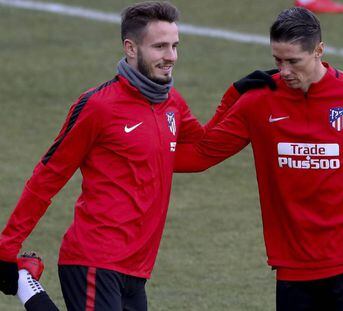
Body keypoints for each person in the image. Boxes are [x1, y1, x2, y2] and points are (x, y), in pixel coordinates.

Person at [0, 2, 275, 310]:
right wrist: (6, 247)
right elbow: (48, 177)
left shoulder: (172, 103)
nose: (170, 56)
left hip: (137, 267)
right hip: (95, 258)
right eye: (159, 47)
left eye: (174, 46)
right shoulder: (98, 107)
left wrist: (235, 96)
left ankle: (27, 284)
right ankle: (25, 282)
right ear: (130, 48)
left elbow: (201, 152)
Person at [174, 7, 343, 311]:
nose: (284, 71)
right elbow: (199, 155)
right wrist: (232, 95)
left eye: (293, 61)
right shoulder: (258, 102)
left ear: (318, 51)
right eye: (278, 60)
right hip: (293, 264)